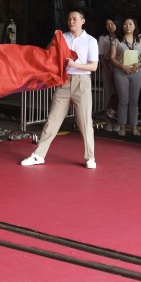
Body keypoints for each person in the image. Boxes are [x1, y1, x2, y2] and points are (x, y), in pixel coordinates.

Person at [20, 9, 99, 169]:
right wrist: (54, 38)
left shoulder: (91, 40)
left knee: (85, 121)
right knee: (53, 119)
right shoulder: (63, 37)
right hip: (63, 81)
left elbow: (94, 66)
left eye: (75, 19)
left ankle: (90, 157)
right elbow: (49, 52)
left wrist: (75, 65)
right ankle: (38, 155)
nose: (71, 22)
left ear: (82, 21)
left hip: (82, 81)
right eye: (69, 19)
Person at [109, 17, 141, 137]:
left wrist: (139, 64)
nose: (128, 26)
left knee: (134, 101)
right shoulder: (117, 40)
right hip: (121, 73)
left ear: (135, 26)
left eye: (130, 24)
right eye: (125, 24)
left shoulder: (140, 41)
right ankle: (122, 127)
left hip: (136, 73)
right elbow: (112, 58)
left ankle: (134, 127)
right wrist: (121, 66)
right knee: (123, 100)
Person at [98, 19, 119, 132]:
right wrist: (107, 71)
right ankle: (108, 121)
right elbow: (101, 57)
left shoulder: (121, 37)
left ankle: (118, 121)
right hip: (107, 65)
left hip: (119, 66)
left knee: (120, 95)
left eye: (112, 23)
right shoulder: (102, 38)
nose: (110, 26)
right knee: (108, 94)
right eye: (107, 24)